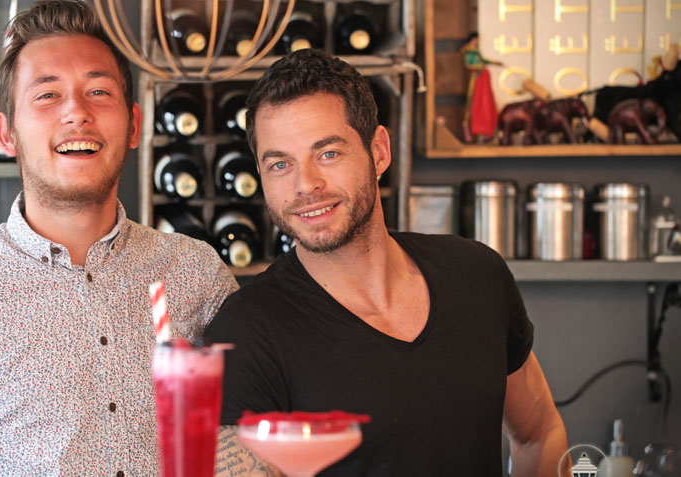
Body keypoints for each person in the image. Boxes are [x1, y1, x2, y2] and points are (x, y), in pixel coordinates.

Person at [0, 1, 237, 475]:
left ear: (134, 126)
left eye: (99, 91)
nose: (76, 113)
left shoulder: (197, 273)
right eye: (46, 96)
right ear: (6, 134)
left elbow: (244, 445)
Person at [206, 49, 569, 476]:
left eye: (328, 154)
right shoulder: (247, 332)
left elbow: (539, 433)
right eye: (280, 164)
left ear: (378, 151)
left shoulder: (477, 275)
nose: (306, 185)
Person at [462, 31, 502, 143]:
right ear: (473, 39)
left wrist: (494, 63)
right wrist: (480, 66)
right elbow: (469, 64)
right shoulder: (469, 51)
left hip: (483, 77)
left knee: (487, 102)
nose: (478, 41)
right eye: (477, 39)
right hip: (477, 78)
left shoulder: (475, 51)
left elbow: (484, 60)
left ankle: (487, 131)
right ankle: (475, 131)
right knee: (477, 103)